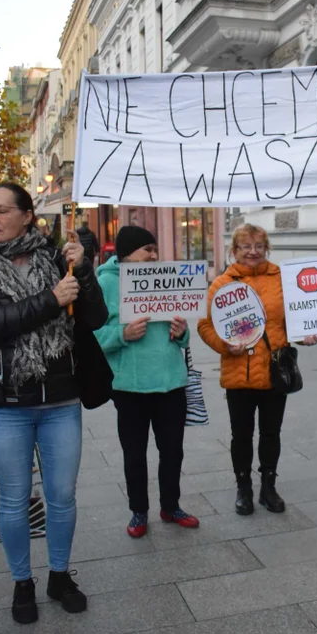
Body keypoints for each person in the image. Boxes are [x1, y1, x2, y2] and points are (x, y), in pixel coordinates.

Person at [0, 181, 107, 624]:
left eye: (2, 211)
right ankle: (22, 582)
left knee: (62, 496)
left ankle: (59, 576)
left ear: (27, 216)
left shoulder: (59, 257)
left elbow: (95, 318)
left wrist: (83, 272)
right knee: (15, 498)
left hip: (60, 400)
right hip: (5, 404)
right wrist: (51, 299)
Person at [198, 224, 317, 516]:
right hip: (238, 373)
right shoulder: (221, 284)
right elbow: (205, 325)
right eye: (245, 247)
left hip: (275, 371)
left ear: (267, 248)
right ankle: (243, 488)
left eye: (258, 246)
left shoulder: (283, 280)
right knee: (241, 435)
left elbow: (297, 318)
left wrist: (307, 334)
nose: (252, 252)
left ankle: (268, 487)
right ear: (234, 251)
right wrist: (225, 345)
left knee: (271, 433)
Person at [95, 225, 199, 537]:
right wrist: (121, 335)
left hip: (170, 382)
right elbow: (93, 337)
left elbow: (184, 336)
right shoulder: (105, 284)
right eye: (147, 250)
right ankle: (139, 512)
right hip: (130, 386)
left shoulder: (165, 279)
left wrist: (182, 333)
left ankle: (171, 505)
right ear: (127, 254)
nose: (154, 256)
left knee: (173, 451)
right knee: (134, 453)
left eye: (155, 250)